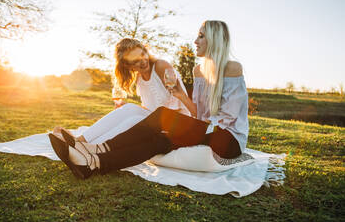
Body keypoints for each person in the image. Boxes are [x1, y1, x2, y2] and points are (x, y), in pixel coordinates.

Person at [49, 20, 249, 180]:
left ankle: (94, 148)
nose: (195, 41)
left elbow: (227, 120)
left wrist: (189, 127)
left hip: (229, 140)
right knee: (159, 141)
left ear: (214, 39)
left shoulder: (232, 68)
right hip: (206, 130)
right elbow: (198, 113)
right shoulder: (198, 71)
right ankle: (94, 163)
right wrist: (180, 95)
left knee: (162, 116)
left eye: (201, 36)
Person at [52, 38, 190, 148]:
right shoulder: (139, 78)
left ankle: (91, 147)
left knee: (134, 120)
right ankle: (80, 141)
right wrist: (125, 108)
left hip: (176, 121)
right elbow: (150, 108)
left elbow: (176, 104)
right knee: (129, 108)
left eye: (142, 54)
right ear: (127, 65)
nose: (142, 62)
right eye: (135, 61)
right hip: (157, 118)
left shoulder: (161, 66)